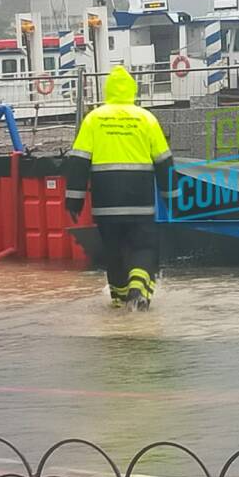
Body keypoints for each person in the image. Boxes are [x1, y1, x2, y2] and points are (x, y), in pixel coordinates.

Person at [65, 65, 175, 310]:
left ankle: (119, 307)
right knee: (144, 246)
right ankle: (138, 290)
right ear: (133, 90)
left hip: (106, 202)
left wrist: (74, 200)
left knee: (113, 251)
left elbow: (78, 161)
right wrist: (172, 197)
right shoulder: (146, 118)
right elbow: (164, 162)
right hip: (140, 201)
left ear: (108, 90)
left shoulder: (93, 119)